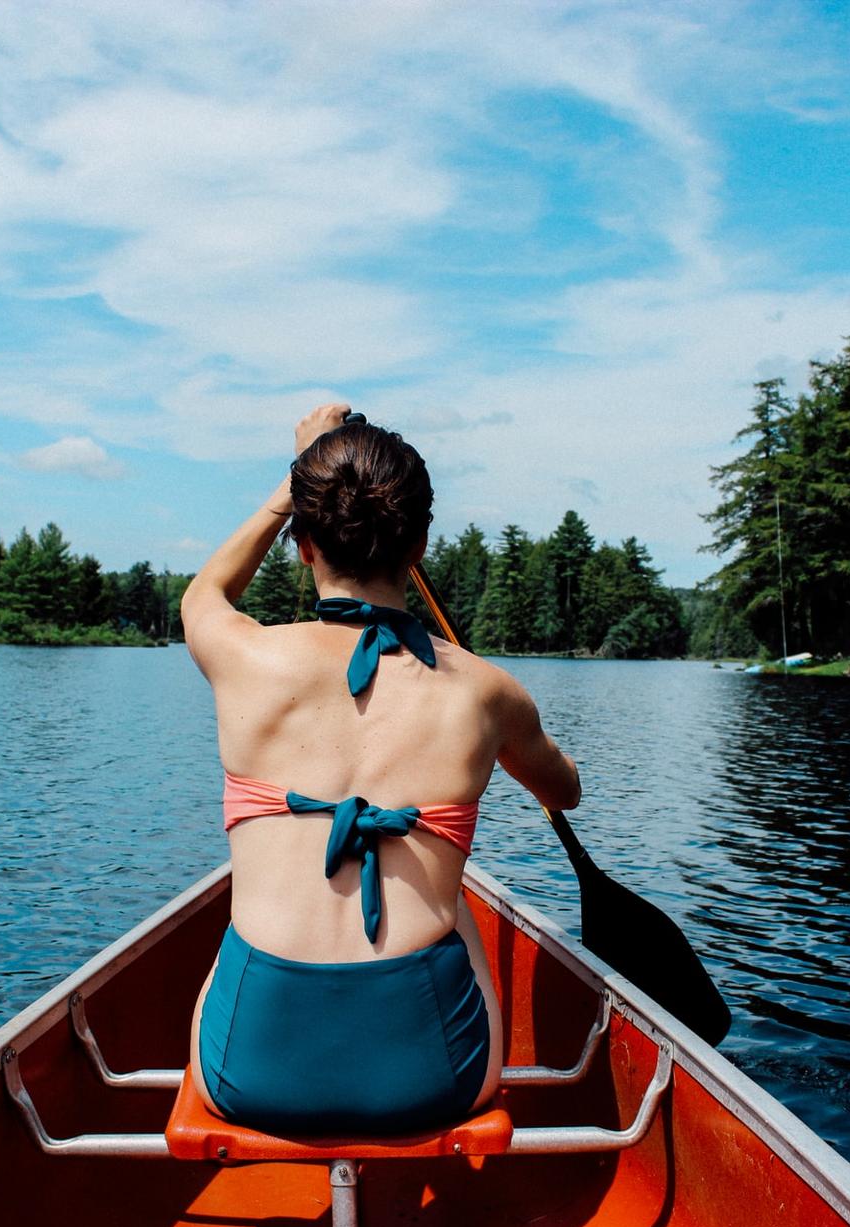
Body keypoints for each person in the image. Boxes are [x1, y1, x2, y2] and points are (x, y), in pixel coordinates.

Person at [181, 403, 580, 1136]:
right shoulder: (488, 691)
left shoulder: (245, 659)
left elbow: (203, 595)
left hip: (248, 1076)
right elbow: (567, 791)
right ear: (421, 542)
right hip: (434, 1080)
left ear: (302, 544)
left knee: (251, 906)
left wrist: (291, 481)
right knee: (454, 899)